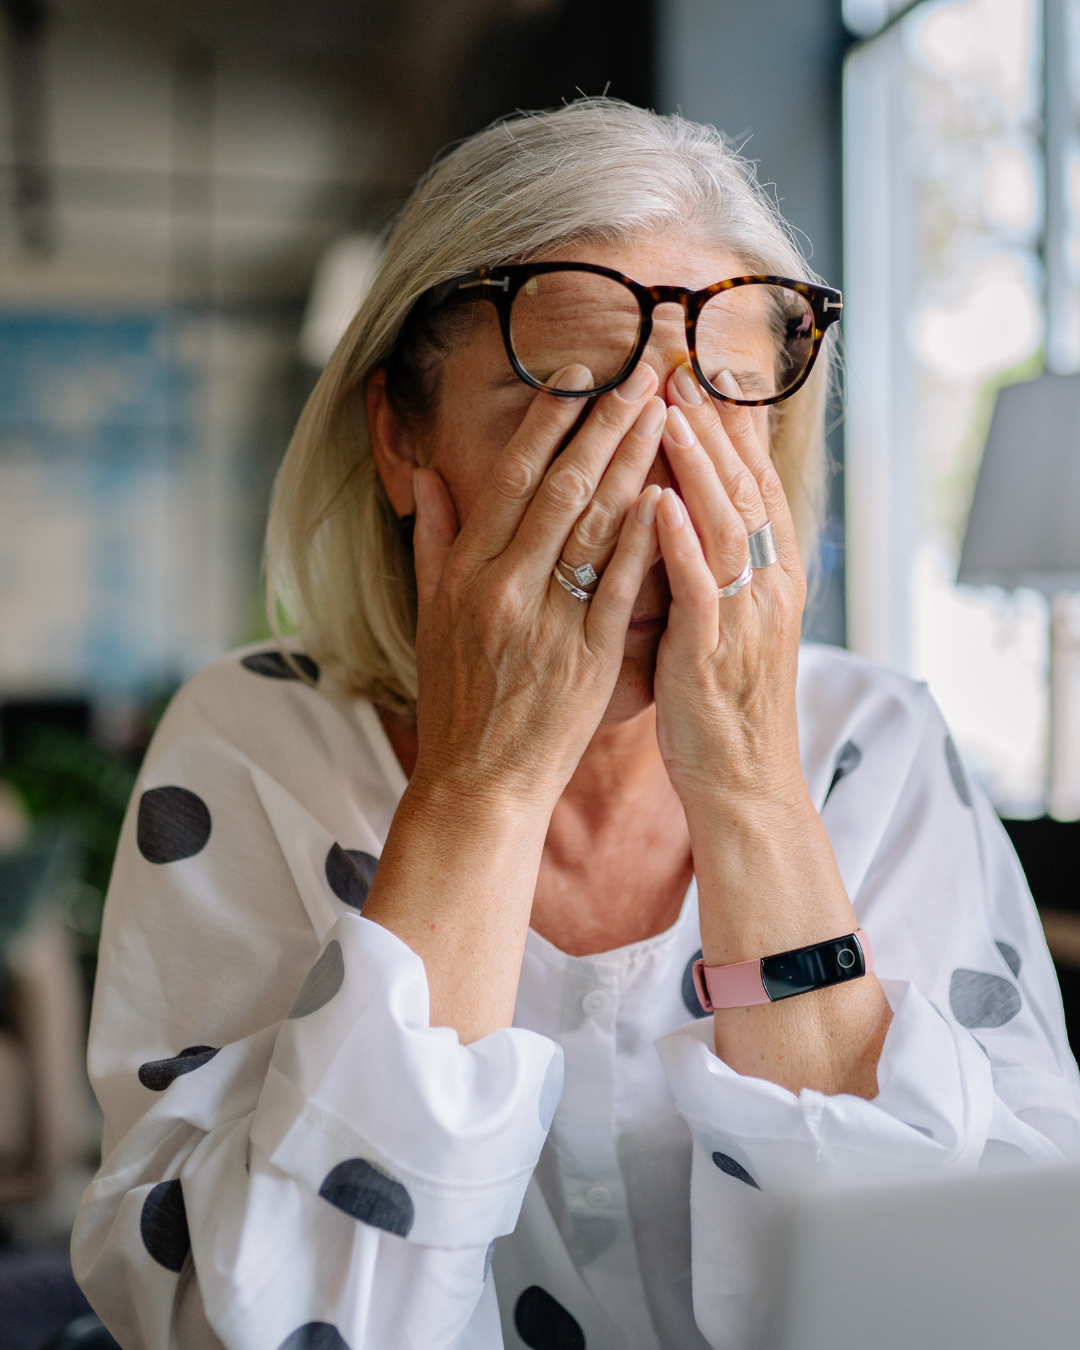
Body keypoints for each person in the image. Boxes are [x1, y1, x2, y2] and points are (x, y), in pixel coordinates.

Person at [72, 100, 1080, 1350]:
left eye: (720, 406)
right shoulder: (258, 743)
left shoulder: (880, 746)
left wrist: (760, 792)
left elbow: (974, 1313)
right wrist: (482, 789)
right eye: (570, 405)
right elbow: (248, 1328)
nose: (651, 501)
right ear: (400, 438)